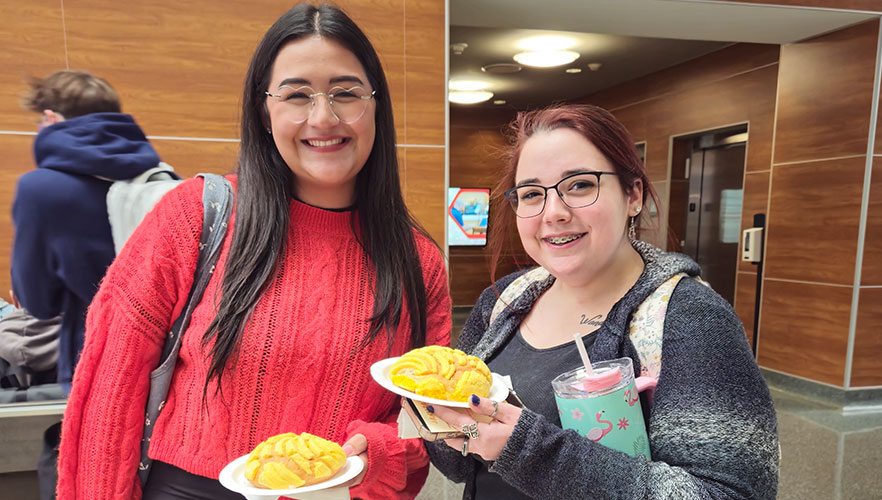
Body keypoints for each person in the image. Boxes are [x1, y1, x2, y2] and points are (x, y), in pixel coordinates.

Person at [57, 3, 451, 500]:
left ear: (376, 106)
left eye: (346, 93)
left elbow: (423, 419)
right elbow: (109, 394)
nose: (323, 117)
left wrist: (377, 451)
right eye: (297, 95)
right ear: (264, 112)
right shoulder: (195, 216)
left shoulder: (418, 260)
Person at [425, 104, 779, 499]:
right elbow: (458, 464)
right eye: (531, 194)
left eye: (579, 185)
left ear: (634, 195)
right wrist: (437, 414)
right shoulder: (504, 301)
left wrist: (530, 450)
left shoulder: (690, 319)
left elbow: (728, 493)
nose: (553, 213)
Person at [12, 69, 163, 395]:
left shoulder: (40, 189)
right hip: (164, 354)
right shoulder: (160, 178)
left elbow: (38, 302)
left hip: (93, 356)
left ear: (51, 118)